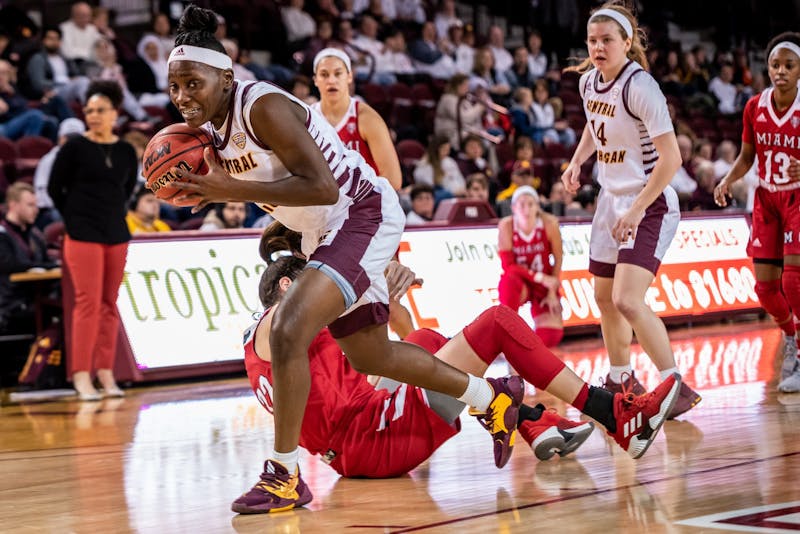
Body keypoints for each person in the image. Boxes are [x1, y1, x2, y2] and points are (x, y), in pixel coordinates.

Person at [164, 5, 526, 512]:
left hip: (362, 212)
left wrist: (226, 188)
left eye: (192, 83)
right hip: (323, 228)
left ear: (225, 76)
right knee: (371, 356)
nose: (182, 97)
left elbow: (322, 184)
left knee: (290, 328)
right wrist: (281, 224)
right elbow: (286, 187)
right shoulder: (209, 136)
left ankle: (284, 475)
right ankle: (493, 399)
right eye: (174, 86)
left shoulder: (262, 107)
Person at [232, 222, 685, 513]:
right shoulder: (284, 320)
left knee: (423, 342)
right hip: (373, 437)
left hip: (356, 443)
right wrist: (367, 271)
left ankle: (531, 421)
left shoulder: (274, 338)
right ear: (290, 285)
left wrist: (383, 292)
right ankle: (613, 415)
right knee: (497, 323)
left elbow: (379, 359)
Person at [560, 3, 701, 418]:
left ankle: (674, 385)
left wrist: (637, 209)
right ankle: (621, 377)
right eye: (592, 40)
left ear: (626, 43)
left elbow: (671, 158)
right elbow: (594, 124)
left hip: (649, 200)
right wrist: (577, 160)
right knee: (603, 296)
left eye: (607, 40)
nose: (599, 47)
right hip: (611, 199)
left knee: (626, 298)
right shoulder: (589, 82)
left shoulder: (641, 87)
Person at [714, 32, 800, 393]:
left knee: (792, 283)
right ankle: (790, 340)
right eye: (774, 65)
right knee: (765, 288)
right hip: (765, 198)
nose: (780, 71)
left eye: (788, 66)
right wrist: (727, 179)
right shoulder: (754, 107)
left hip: (797, 198)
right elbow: (748, 156)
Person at [48, 79, 137, 401]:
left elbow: (126, 191)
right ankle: (81, 376)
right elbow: (54, 188)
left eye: (100, 110)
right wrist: (74, 220)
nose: (94, 116)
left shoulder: (126, 150)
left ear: (115, 113)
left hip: (116, 232)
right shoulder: (73, 147)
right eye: (89, 111)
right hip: (82, 233)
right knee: (87, 304)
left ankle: (106, 373)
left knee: (109, 305)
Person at [310, 48, 401, 190]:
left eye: (338, 73)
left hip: (366, 203)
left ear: (349, 77)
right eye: (324, 74)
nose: (331, 80)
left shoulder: (367, 118)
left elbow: (393, 180)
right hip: (324, 203)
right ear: (315, 80)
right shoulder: (308, 118)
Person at [497, 186, 563, 347]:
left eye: (530, 204)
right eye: (521, 204)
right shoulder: (506, 226)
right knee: (508, 281)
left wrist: (552, 291)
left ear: (537, 206)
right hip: (522, 282)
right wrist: (539, 277)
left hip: (544, 284)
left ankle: (527, 347)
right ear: (513, 208)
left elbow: (558, 259)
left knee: (551, 337)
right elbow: (508, 266)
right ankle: (507, 335)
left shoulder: (549, 224)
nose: (526, 209)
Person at [0, 183, 56, 336]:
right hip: (11, 307)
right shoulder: (2, 235)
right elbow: (13, 265)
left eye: (36, 205)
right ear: (13, 205)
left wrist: (53, 265)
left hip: (36, 301)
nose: (36, 209)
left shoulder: (35, 236)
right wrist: (49, 266)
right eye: (30, 205)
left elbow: (45, 262)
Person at [33, 117, 86, 229]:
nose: (72, 142)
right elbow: (42, 196)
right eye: (69, 138)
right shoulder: (49, 160)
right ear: (60, 139)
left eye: (76, 138)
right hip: (52, 209)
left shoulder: (87, 160)